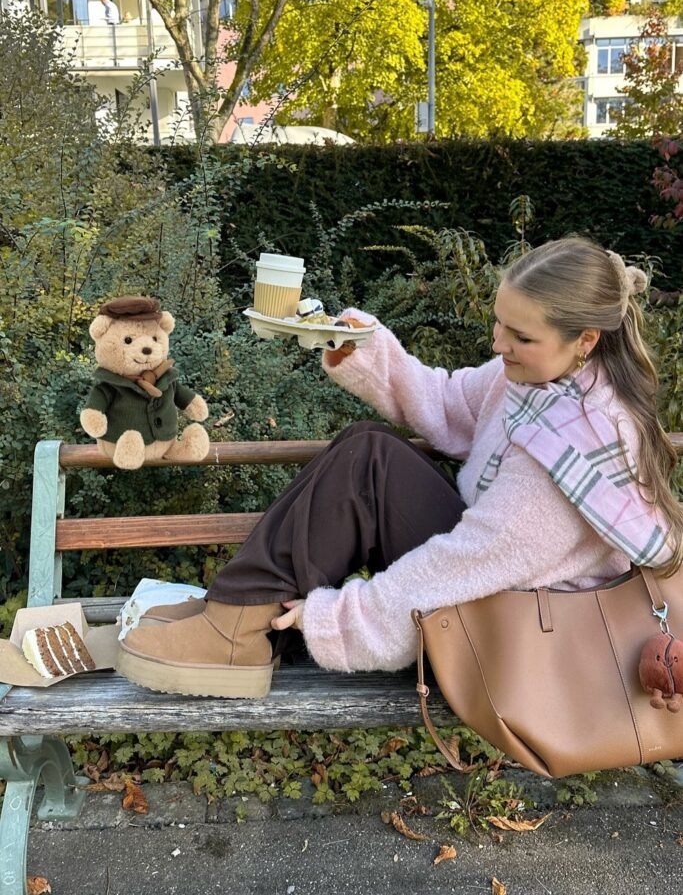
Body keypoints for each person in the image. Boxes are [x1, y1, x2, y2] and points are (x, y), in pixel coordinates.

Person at [116, 237, 683, 699]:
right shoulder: (541, 377)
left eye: (520, 336)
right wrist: (362, 349)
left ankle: (238, 628)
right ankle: (241, 617)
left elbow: (468, 562)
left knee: (370, 460)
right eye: (500, 323)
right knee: (367, 446)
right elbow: (451, 404)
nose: (498, 343)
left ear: (586, 339)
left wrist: (337, 618)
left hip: (514, 643)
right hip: (490, 589)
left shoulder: (574, 445)